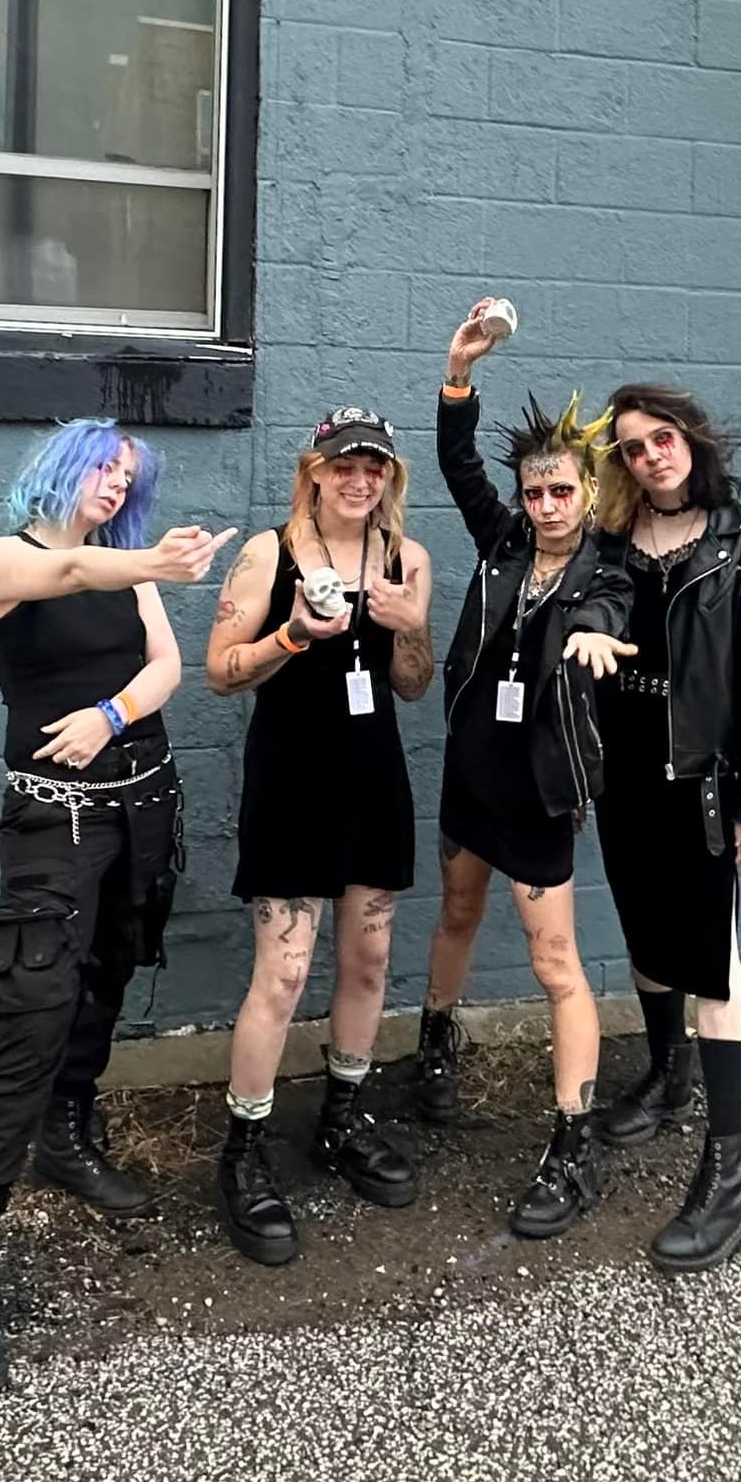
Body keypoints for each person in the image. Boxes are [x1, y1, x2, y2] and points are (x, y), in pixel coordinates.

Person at [0, 418, 234, 1398]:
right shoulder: (5, 559)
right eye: (104, 465)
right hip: (51, 821)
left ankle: (65, 1135)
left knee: (106, 977)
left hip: (141, 806)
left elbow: (164, 667)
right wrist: (153, 559)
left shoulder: (125, 567)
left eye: (127, 476)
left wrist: (111, 714)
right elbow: (60, 575)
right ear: (62, 467)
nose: (114, 483)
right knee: (33, 1010)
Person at [413, 306, 635, 1240]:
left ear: (587, 493)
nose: (544, 506)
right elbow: (457, 463)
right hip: (471, 780)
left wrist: (595, 637)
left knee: (554, 962)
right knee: (457, 913)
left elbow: (611, 615)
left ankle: (572, 1140)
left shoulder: (606, 571)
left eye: (560, 492)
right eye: (534, 492)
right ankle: (433, 1048)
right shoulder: (502, 542)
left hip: (540, 794)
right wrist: (458, 375)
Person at [206, 407, 434, 1266]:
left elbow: (412, 684)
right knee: (286, 970)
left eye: (374, 466)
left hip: (373, 781)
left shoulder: (407, 559)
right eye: (344, 464)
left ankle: (341, 1119)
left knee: (369, 960)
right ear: (315, 471)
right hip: (292, 782)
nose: (359, 479)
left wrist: (409, 627)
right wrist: (295, 634)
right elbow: (220, 671)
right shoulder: (271, 554)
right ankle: (244, 1150)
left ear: (389, 478)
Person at [592, 380, 741, 1274]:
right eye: (633, 448)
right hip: (625, 774)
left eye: (661, 438)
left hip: (702, 779)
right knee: (645, 939)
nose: (650, 457)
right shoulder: (612, 537)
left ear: (692, 440)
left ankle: (729, 1174)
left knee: (712, 964)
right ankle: (668, 1074)